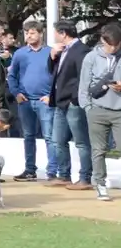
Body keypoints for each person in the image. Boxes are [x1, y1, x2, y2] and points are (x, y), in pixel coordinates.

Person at [77, 23, 121, 201]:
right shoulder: (91, 57)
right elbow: (84, 86)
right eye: (110, 45)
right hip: (97, 110)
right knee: (98, 150)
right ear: (102, 40)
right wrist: (88, 108)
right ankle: (100, 184)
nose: (113, 48)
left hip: (119, 111)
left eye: (117, 45)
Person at [7, 22, 54, 182]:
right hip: (25, 101)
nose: (29, 36)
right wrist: (16, 93)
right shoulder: (20, 54)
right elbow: (12, 76)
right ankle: (30, 170)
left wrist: (51, 95)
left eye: (32, 33)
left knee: (49, 136)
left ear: (41, 33)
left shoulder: (50, 52)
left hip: (44, 101)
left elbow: (58, 76)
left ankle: (52, 171)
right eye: (26, 33)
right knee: (28, 136)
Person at [48, 20, 91, 190]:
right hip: (60, 102)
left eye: (55, 33)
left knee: (81, 141)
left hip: (73, 102)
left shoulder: (81, 50)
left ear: (63, 33)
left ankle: (85, 178)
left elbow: (83, 77)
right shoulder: (62, 50)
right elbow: (54, 73)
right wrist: (52, 56)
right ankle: (64, 175)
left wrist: (75, 98)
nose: (54, 36)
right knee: (58, 140)